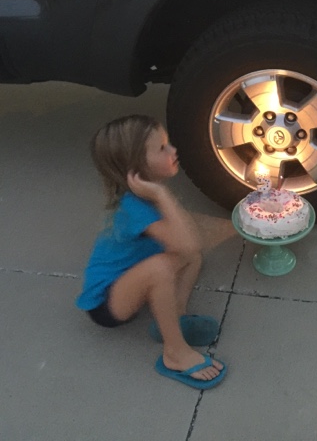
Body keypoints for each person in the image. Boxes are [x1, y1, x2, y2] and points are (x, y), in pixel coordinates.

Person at [76, 114, 226, 387]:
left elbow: (188, 239)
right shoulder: (134, 207)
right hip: (107, 301)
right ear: (136, 167)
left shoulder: (144, 197)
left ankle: (175, 316)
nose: (173, 151)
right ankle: (175, 354)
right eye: (162, 148)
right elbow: (187, 241)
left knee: (191, 257)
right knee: (162, 267)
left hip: (133, 276)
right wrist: (161, 195)